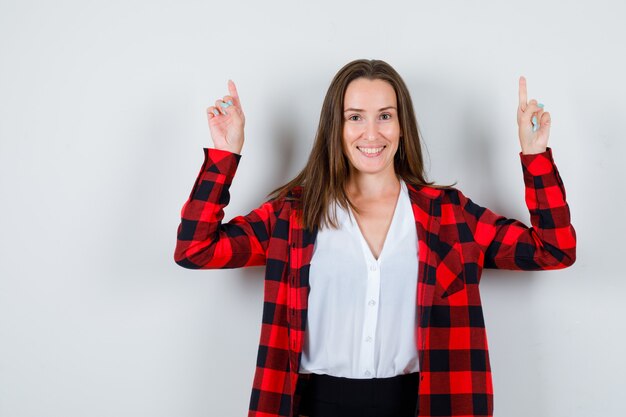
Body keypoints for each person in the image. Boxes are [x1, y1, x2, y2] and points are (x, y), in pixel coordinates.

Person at [174, 59, 576, 417]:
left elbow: (553, 250)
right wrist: (225, 154)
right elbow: (195, 249)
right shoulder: (293, 215)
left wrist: (535, 156)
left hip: (422, 403)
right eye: (355, 117)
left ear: (402, 126)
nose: (371, 133)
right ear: (337, 126)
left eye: (385, 116)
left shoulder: (448, 215)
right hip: (315, 404)